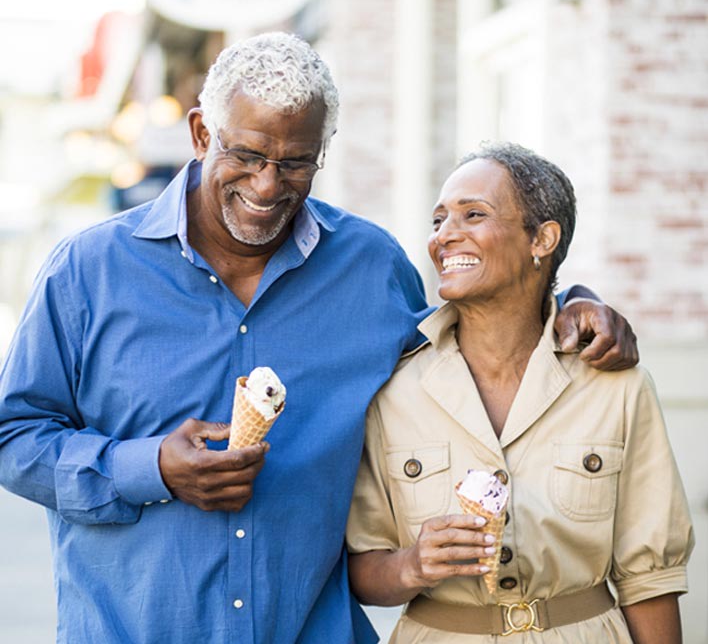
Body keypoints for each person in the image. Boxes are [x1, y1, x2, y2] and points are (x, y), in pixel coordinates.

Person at [0, 34, 637, 644]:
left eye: (296, 162)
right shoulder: (89, 270)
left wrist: (568, 300)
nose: (268, 185)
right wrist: (149, 467)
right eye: (246, 155)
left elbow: (467, 347)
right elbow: (14, 436)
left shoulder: (368, 266)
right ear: (200, 134)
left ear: (322, 152)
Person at [346, 142, 694, 643]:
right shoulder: (395, 389)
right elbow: (360, 567)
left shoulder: (617, 387)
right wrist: (413, 565)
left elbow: (650, 580)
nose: (446, 235)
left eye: (474, 214)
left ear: (542, 239)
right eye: (439, 219)